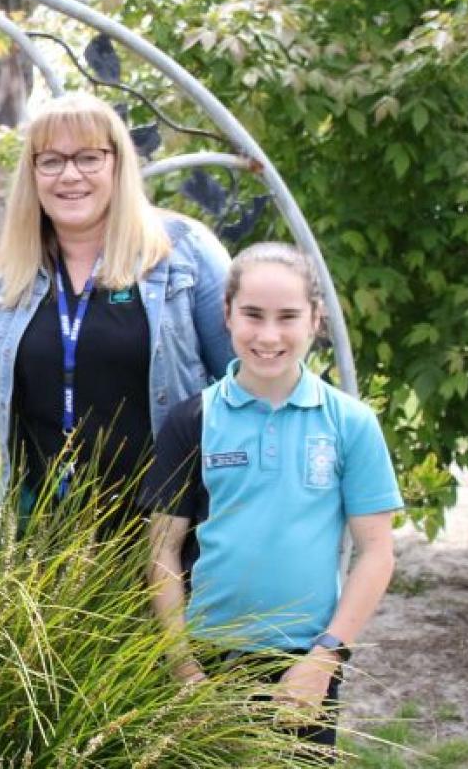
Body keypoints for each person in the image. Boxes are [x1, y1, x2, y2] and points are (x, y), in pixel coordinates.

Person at [0, 93, 233, 528]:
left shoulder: (182, 253)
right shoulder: (12, 281)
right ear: (32, 175)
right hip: (49, 539)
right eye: (50, 161)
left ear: (117, 165)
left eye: (88, 157)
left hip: (164, 535)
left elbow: (242, 379)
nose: (70, 175)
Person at [141, 242, 400, 756]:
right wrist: (183, 667)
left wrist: (326, 657)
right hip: (209, 657)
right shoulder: (193, 421)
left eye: (288, 317)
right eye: (252, 315)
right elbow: (163, 553)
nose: (268, 335)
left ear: (315, 319)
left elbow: (377, 552)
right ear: (227, 314)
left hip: (306, 658)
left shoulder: (349, 423)